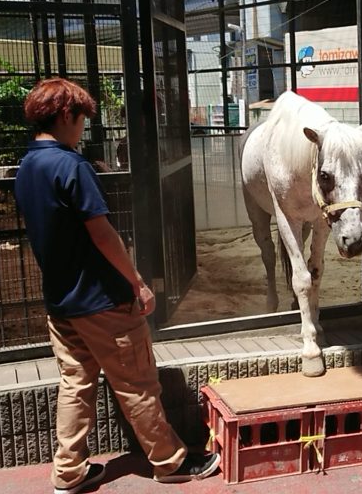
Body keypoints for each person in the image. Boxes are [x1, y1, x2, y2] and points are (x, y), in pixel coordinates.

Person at [13, 78, 219, 494]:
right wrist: (137, 282)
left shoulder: (26, 167)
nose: (82, 129)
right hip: (103, 302)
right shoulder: (72, 166)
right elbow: (103, 233)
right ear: (66, 115)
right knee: (138, 385)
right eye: (82, 120)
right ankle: (171, 462)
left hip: (61, 302)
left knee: (75, 384)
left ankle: (68, 472)